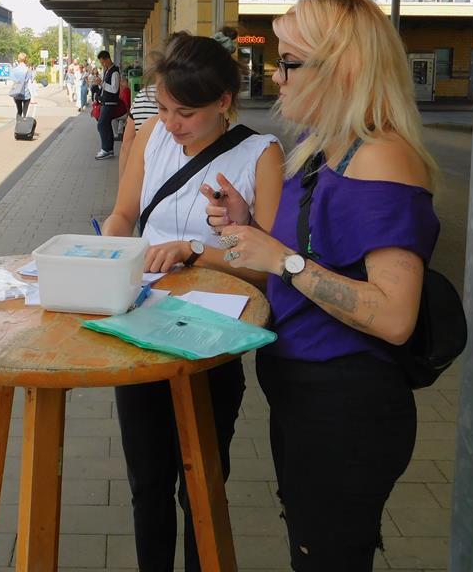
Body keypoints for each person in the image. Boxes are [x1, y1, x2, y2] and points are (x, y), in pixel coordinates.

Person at [209, 0, 441, 571]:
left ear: (344, 69)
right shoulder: (327, 148)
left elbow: (395, 316)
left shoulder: (382, 159)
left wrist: (280, 260)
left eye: (289, 62)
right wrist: (248, 226)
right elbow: (317, 250)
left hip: (346, 404)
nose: (275, 76)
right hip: (305, 390)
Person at [101, 31, 284, 572]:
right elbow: (123, 213)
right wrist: (109, 248)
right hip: (138, 325)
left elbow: (269, 266)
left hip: (212, 337)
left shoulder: (261, 155)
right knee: (147, 482)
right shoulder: (153, 134)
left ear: (223, 101)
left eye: (186, 112)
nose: (171, 123)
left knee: (200, 482)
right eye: (163, 108)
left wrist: (197, 249)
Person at [118, 49, 163, 177]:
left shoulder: (142, 96)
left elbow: (127, 144)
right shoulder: (180, 96)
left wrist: (122, 182)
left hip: (143, 168)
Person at [94, 50, 120, 160]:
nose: (102, 64)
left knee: (101, 125)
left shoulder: (114, 72)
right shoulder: (107, 71)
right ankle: (109, 150)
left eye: (103, 62)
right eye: (101, 63)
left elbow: (114, 89)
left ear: (108, 59)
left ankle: (105, 149)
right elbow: (106, 87)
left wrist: (101, 83)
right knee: (106, 125)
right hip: (106, 102)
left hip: (110, 103)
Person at [10, 53, 34, 118]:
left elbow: (13, 80)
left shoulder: (14, 70)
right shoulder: (28, 70)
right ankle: (24, 121)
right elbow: (31, 80)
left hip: (17, 93)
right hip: (26, 93)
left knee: (19, 111)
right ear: (25, 59)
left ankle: (18, 123)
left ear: (18, 59)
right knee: (25, 112)